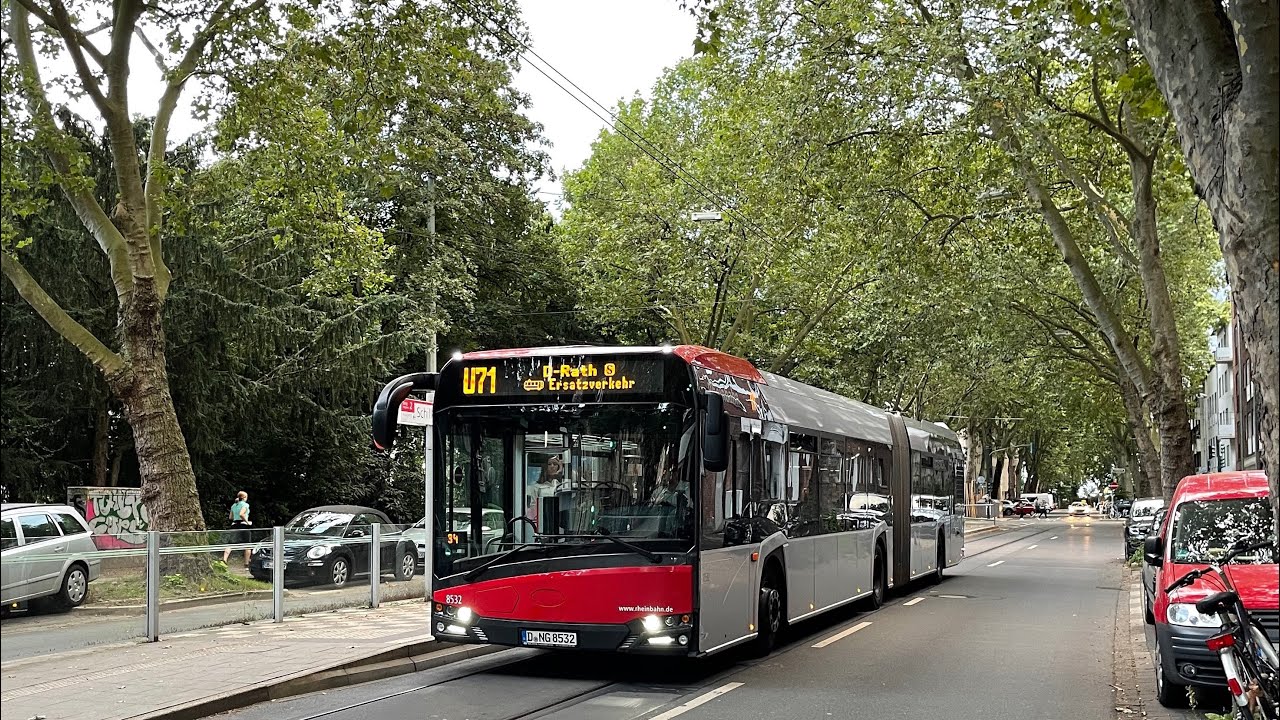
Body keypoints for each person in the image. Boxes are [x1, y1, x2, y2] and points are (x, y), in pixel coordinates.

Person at [223, 491, 252, 566]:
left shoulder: (234, 505)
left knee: (230, 543)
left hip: (234, 524)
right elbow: (241, 514)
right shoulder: (245, 505)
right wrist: (247, 522)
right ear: (244, 497)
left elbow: (230, 517)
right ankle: (246, 563)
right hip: (243, 525)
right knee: (248, 544)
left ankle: (224, 559)